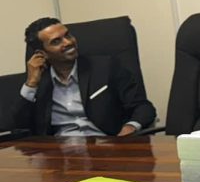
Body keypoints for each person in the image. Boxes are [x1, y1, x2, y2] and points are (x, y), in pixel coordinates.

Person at [5, 17, 155, 136]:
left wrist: (129, 128)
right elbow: (19, 125)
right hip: (59, 158)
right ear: (42, 53)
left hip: (105, 148)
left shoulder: (106, 67)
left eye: (67, 35)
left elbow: (143, 108)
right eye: (56, 41)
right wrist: (31, 84)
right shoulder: (39, 79)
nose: (68, 42)